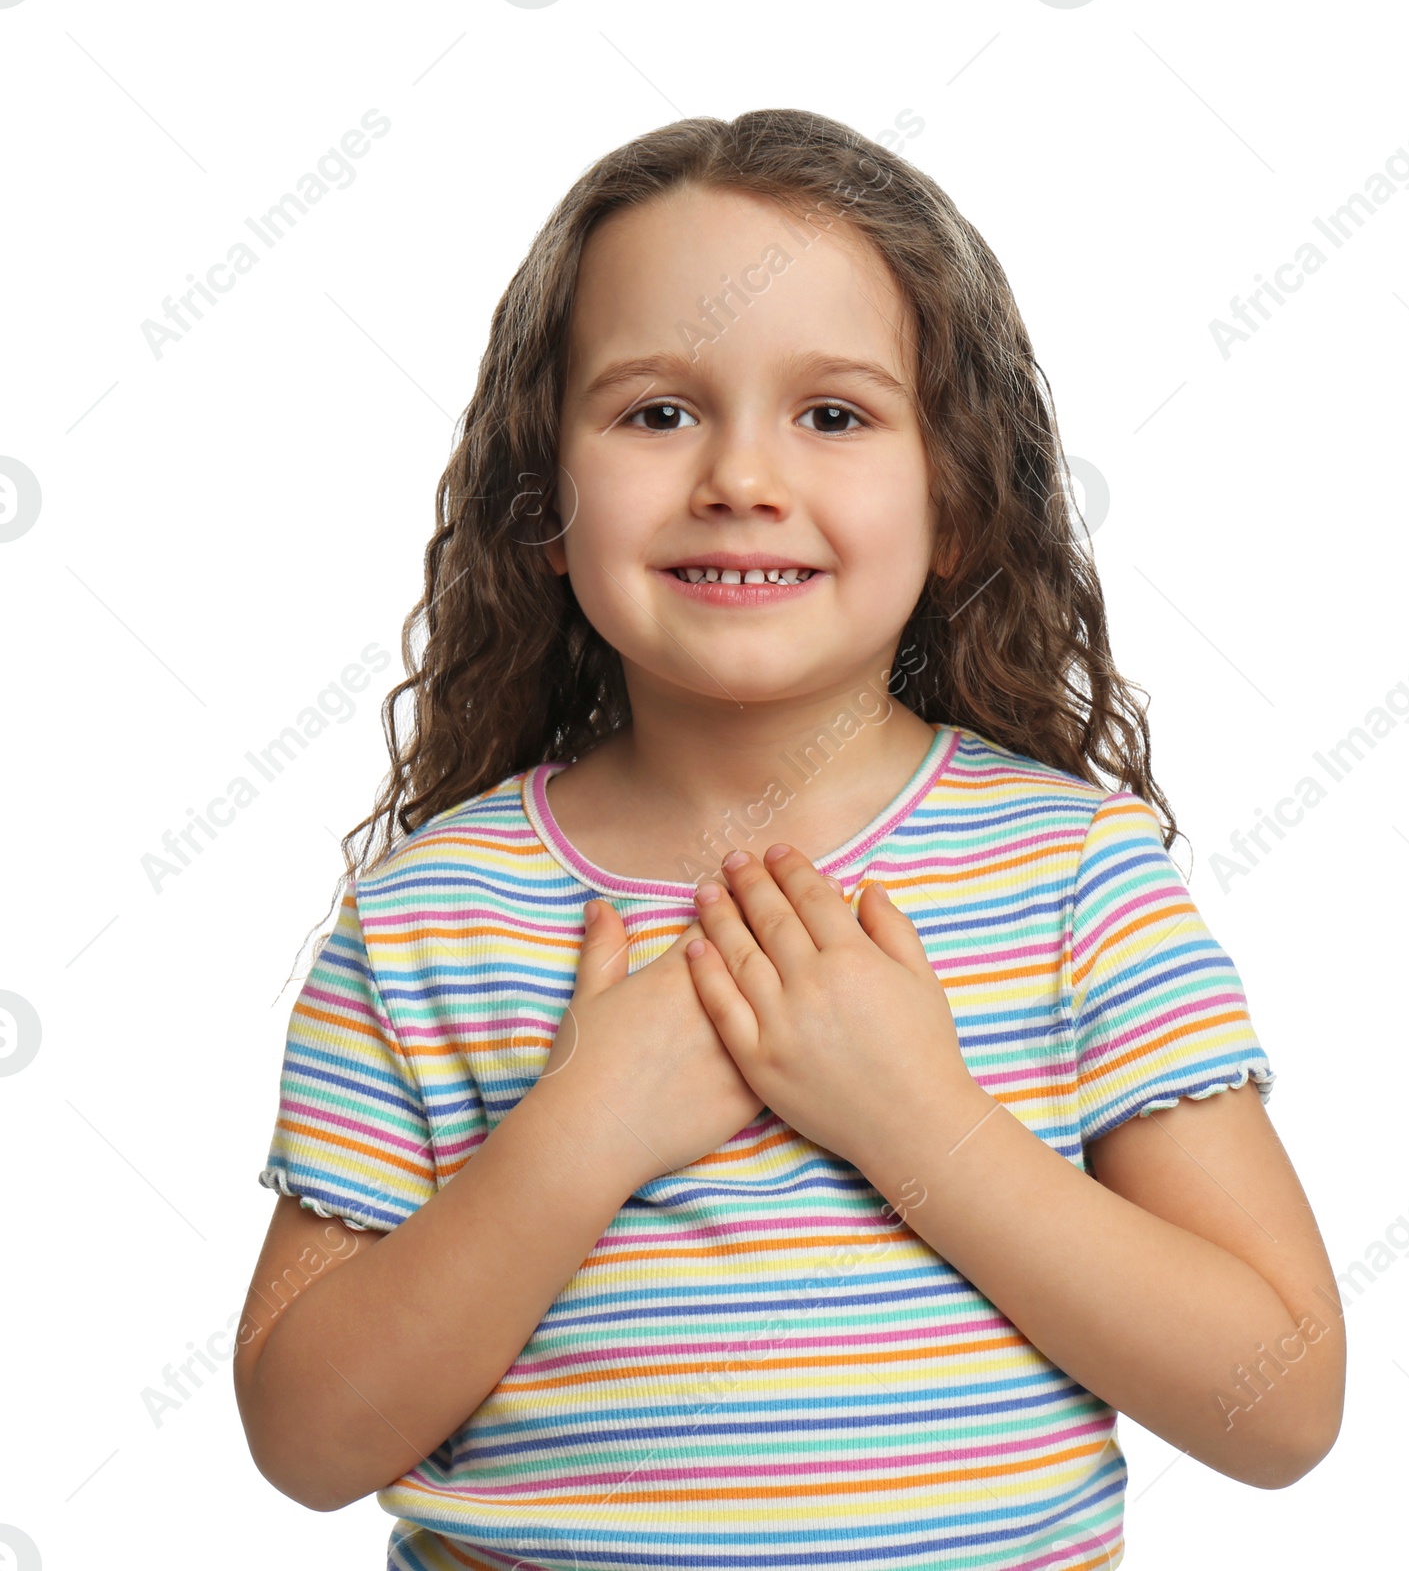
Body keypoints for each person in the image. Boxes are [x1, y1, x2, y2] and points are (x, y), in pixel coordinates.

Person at [233, 108, 1345, 1571]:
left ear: (956, 495)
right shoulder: (430, 915)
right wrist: (583, 1132)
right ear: (543, 507)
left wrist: (916, 1122)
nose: (740, 477)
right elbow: (309, 1442)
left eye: (833, 414)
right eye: (655, 412)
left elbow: (1281, 1402)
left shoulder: (1076, 880)